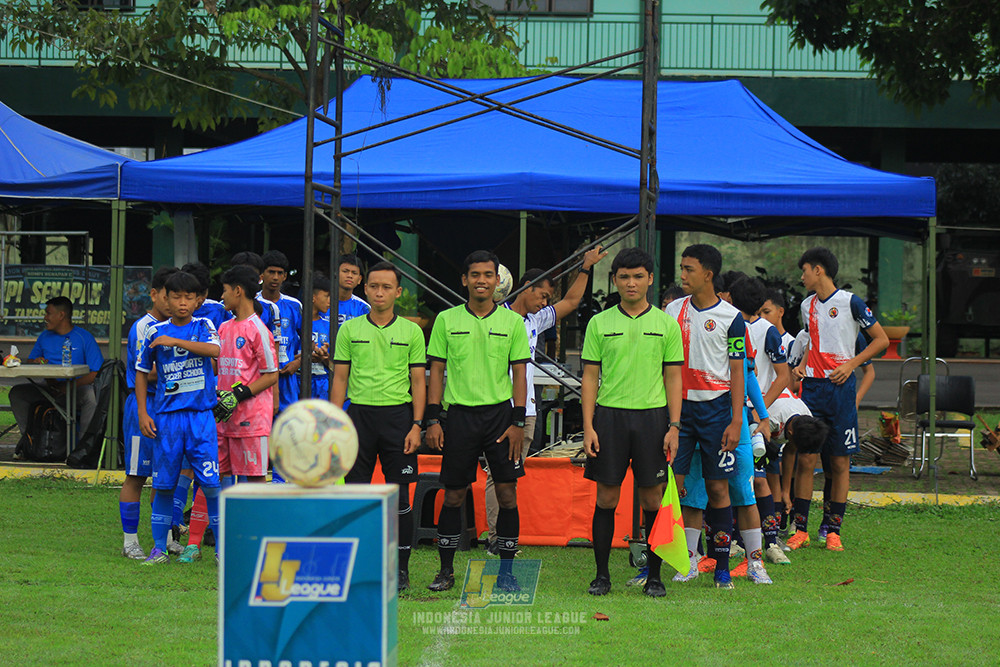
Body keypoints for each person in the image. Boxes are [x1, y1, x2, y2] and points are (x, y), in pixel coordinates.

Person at [483, 244, 606, 554]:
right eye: (541, 296)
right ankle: (497, 539)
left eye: (547, 299)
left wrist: (586, 267)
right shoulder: (496, 314)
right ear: (525, 288)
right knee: (497, 474)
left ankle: (503, 536)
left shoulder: (534, 321)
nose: (544, 302)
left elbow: (573, 300)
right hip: (498, 406)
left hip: (527, 410)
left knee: (510, 474)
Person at [580, 247, 683, 598]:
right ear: (614, 280)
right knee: (606, 498)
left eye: (638, 276)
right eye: (624, 276)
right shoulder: (599, 322)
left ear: (650, 279)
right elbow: (590, 377)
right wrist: (589, 426)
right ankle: (601, 576)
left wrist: (674, 425)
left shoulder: (666, 324)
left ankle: (654, 576)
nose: (631, 283)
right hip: (609, 419)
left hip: (653, 420)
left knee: (652, 500)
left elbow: (673, 378)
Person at [424, 250, 529, 592]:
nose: (481, 280)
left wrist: (517, 420)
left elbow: (519, 373)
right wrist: (434, 419)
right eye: (475, 275)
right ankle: (445, 572)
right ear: (465, 280)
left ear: (498, 280)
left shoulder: (512, 322)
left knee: (507, 494)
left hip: (500, 417)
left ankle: (507, 572)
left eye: (488, 274)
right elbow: (436, 371)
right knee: (453, 495)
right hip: (458, 418)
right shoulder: (446, 320)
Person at [786, 247, 888, 552]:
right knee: (806, 458)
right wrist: (803, 362)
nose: (801, 276)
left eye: (804, 270)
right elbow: (812, 340)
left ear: (818, 270)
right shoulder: (806, 306)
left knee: (840, 462)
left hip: (841, 391)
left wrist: (851, 365)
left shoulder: (850, 302)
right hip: (813, 390)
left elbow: (881, 341)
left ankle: (833, 530)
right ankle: (800, 529)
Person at [333, 261, 426, 592]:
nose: (380, 292)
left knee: (400, 496)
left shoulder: (412, 332)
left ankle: (400, 569)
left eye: (387, 287)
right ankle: (357, 565)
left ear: (398, 292)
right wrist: (334, 422)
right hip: (358, 418)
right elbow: (340, 377)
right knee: (355, 495)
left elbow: (418, 380)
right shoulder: (349, 329)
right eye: (374, 286)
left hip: (398, 420)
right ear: (365, 288)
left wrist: (417, 425)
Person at [179, 266, 279, 564]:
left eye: (224, 289)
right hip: (221, 419)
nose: (221, 295)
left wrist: (238, 394)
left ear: (238, 291)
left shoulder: (259, 329)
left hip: (252, 421)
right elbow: (217, 367)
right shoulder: (223, 328)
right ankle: (193, 544)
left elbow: (271, 374)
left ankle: (253, 547)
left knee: (253, 482)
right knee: (210, 478)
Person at [664, 244, 746, 590]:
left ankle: (723, 566)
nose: (682, 275)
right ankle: (674, 561)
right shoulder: (671, 311)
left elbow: (738, 371)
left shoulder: (733, 317)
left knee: (717, 488)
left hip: (716, 411)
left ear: (707, 275)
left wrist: (736, 420)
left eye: (688, 269)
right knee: (669, 486)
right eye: (681, 268)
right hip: (678, 411)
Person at [135, 271, 222, 565]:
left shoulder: (204, 324)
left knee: (210, 484)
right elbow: (141, 372)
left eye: (189, 297)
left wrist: (175, 341)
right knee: (163, 485)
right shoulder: (153, 331)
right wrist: (144, 413)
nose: (183, 303)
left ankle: (222, 550)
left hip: (200, 418)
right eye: (176, 297)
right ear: (166, 299)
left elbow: (214, 350)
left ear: (198, 300)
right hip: (168, 420)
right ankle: (159, 548)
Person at [118, 267, 176, 560]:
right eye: (170, 296)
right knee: (137, 475)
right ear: (154, 295)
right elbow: (147, 372)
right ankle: (130, 542)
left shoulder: (181, 326)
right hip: (145, 406)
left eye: (182, 297)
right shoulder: (144, 327)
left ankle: (164, 538)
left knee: (165, 476)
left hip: (171, 409)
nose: (176, 303)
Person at [11, 296, 104, 459]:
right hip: (48, 388)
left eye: (48, 313)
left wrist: (68, 387)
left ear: (61, 315)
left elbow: (96, 373)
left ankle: (84, 450)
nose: (45, 317)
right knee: (17, 393)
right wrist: (37, 362)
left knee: (90, 396)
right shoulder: (44, 337)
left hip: (74, 390)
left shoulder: (84, 337)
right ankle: (31, 441)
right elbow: (32, 361)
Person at [260, 250, 302, 413]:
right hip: (259, 377)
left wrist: (297, 363)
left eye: (280, 273)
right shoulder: (252, 303)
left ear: (285, 276)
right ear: (262, 274)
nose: (275, 277)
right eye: (271, 272)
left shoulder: (295, 305)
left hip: (288, 376)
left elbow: (309, 341)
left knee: (287, 428)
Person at [328, 253, 371, 325]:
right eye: (345, 271)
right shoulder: (321, 303)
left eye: (354, 273)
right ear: (335, 274)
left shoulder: (363, 308)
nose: (349, 276)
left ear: (359, 279)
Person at [309, 274, 333, 400]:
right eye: (327, 296)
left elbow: (334, 365)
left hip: (323, 381)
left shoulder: (329, 325)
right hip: (299, 378)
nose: (330, 301)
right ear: (313, 297)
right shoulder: (299, 322)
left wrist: (324, 357)